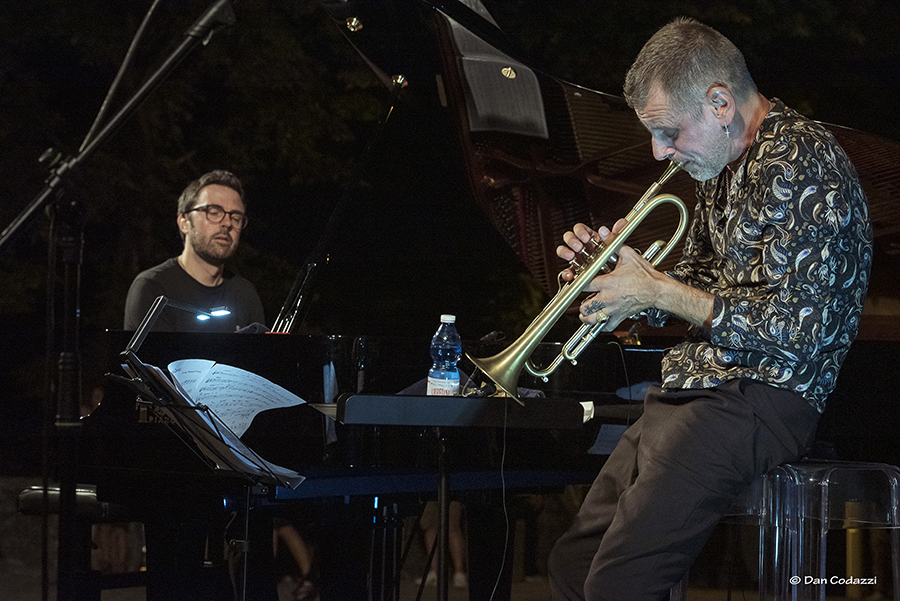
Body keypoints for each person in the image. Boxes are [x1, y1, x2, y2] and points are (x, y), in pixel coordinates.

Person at [547, 17, 872, 601]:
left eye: (669, 131)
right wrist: (623, 281)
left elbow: (798, 331)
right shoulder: (723, 168)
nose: (658, 151)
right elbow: (697, 282)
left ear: (720, 102)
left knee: (620, 583)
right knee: (573, 564)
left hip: (762, 397)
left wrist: (660, 291)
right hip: (698, 391)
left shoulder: (803, 163)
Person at [124, 169, 264, 332]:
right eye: (214, 212)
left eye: (236, 218)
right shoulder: (153, 288)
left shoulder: (244, 294)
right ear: (184, 222)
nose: (227, 223)